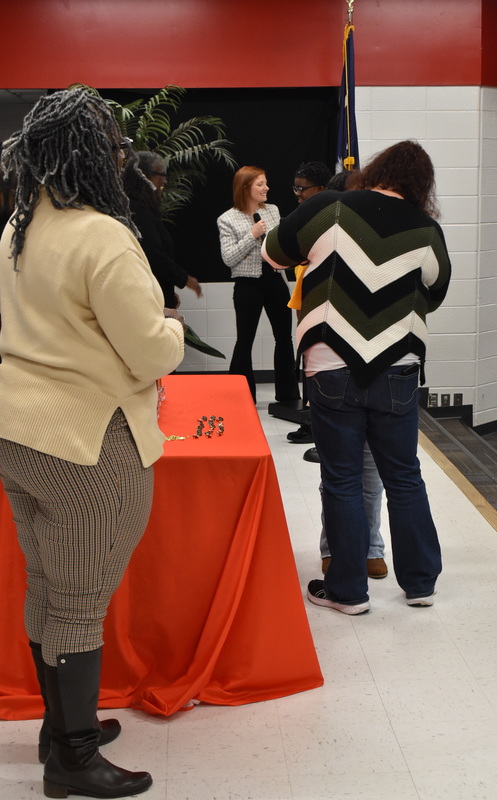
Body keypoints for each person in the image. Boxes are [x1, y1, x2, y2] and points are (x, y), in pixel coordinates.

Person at [0, 89, 185, 798]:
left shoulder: (19, 226)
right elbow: (149, 350)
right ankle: (72, 758)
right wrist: (172, 330)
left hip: (19, 432)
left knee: (49, 585)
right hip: (88, 441)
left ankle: (60, 722)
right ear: (94, 156)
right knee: (79, 600)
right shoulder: (103, 234)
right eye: (112, 147)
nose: (119, 159)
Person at [263, 140, 451, 614]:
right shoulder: (427, 229)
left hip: (331, 363)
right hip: (400, 367)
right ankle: (421, 583)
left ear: (375, 170)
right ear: (421, 185)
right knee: (405, 476)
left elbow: (274, 253)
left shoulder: (329, 206)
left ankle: (348, 592)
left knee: (342, 478)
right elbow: (438, 289)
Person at [287, 168, 388, 580]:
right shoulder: (319, 244)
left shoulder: (383, 239)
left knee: (370, 469)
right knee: (339, 472)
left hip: (379, 364)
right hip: (331, 367)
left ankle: (372, 546)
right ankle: (335, 549)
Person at [217, 165, 300, 403]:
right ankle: (240, 397)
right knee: (245, 340)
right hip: (247, 285)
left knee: (284, 338)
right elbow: (228, 258)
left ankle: (287, 395)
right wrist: (251, 235)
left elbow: (280, 244)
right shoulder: (227, 219)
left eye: (266, 183)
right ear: (245, 188)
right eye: (260, 184)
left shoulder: (272, 210)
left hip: (275, 279)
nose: (267, 188)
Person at [122, 150, 202, 318]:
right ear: (145, 176)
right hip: (148, 304)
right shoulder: (138, 212)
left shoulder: (135, 209)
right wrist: (186, 280)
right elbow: (155, 257)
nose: (165, 180)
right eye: (162, 175)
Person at [286, 162, 332, 444]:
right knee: (307, 361)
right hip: (304, 298)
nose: (297, 194)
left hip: (322, 305)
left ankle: (319, 428)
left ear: (322, 190)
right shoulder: (303, 217)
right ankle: (310, 420)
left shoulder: (332, 220)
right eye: (295, 188)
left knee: (320, 366)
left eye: (303, 189)